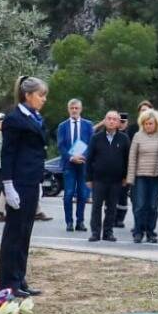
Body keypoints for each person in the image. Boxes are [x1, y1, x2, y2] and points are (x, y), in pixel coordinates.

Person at [0, 76, 50, 297]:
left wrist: (39, 183)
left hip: (31, 181)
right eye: (40, 95)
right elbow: (7, 154)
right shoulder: (14, 119)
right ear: (27, 95)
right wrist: (8, 185)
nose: (43, 99)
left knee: (25, 233)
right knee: (14, 233)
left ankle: (19, 278)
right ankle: (8, 282)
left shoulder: (35, 117)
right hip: (18, 182)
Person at [84, 110, 130, 243]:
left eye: (114, 119)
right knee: (96, 206)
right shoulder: (96, 138)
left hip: (116, 180)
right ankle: (95, 232)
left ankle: (108, 232)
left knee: (112, 207)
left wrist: (126, 177)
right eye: (109, 118)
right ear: (104, 120)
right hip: (98, 179)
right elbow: (89, 158)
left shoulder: (124, 139)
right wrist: (88, 178)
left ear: (118, 123)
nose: (111, 121)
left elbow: (127, 159)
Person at [127, 108, 158, 244]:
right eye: (146, 123)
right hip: (140, 177)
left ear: (156, 124)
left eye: (151, 123)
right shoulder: (137, 136)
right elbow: (132, 158)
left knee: (152, 206)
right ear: (142, 124)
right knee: (139, 206)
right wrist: (130, 179)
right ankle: (138, 232)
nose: (148, 126)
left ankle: (151, 232)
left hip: (156, 177)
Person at [56, 99, 93, 233]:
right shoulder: (62, 126)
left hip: (83, 164)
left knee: (83, 194)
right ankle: (69, 222)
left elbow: (91, 144)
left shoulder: (88, 125)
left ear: (81, 109)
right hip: (69, 164)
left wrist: (82, 156)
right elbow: (61, 146)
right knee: (68, 194)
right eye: (72, 108)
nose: (74, 110)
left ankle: (80, 222)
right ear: (68, 109)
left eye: (76, 108)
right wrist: (72, 157)